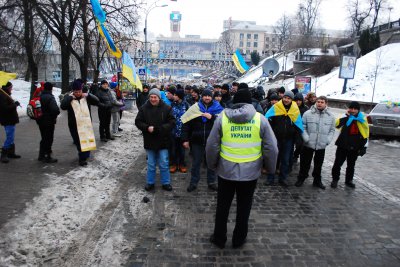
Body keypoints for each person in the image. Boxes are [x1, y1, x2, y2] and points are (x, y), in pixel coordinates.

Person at [206, 88, 278, 249]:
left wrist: (212, 165)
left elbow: (211, 146)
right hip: (250, 172)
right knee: (244, 207)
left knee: (222, 206)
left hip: (226, 171)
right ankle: (239, 239)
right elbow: (272, 148)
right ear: (250, 101)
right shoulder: (260, 119)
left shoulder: (222, 118)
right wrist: (270, 168)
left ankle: (219, 238)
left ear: (234, 101)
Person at [182, 89, 223, 192]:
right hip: (197, 141)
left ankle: (211, 182)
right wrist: (185, 139)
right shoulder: (195, 108)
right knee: (196, 163)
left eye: (209, 96)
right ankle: (193, 182)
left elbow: (224, 122)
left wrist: (212, 117)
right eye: (205, 96)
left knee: (211, 163)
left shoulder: (218, 108)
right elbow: (186, 124)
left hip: (212, 141)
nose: (207, 98)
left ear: (211, 97)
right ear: (202, 97)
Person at [135, 88, 175, 191]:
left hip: (163, 140)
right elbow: (138, 121)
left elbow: (171, 123)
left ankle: (166, 182)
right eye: (151, 97)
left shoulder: (167, 108)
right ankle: (150, 182)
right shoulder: (144, 108)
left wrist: (159, 129)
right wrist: (146, 127)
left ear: (159, 98)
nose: (153, 99)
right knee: (151, 164)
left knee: (164, 163)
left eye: (155, 97)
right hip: (150, 140)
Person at [295, 96, 336, 189]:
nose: (319, 103)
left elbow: (332, 130)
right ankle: (301, 178)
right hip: (308, 143)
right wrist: (306, 138)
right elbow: (303, 127)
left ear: (326, 103)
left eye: (322, 102)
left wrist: (327, 140)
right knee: (305, 163)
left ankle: (317, 180)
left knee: (318, 164)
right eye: (318, 102)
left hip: (321, 144)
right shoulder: (308, 113)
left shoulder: (331, 116)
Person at [265, 91, 303, 186]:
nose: (286, 100)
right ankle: (270, 178)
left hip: (288, 139)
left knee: (285, 160)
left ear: (291, 99)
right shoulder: (276, 107)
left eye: (289, 98)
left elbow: (298, 124)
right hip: (275, 138)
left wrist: (297, 138)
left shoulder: (295, 109)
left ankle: (283, 178)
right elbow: (268, 120)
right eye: (285, 97)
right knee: (274, 159)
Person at [61, 80, 102, 166]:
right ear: (73, 91)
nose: (78, 93)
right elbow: (63, 106)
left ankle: (83, 157)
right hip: (74, 125)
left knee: (86, 140)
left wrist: (88, 95)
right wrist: (70, 98)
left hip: (86, 124)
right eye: (76, 92)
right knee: (78, 142)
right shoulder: (69, 98)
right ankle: (83, 156)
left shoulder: (86, 98)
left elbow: (97, 101)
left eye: (79, 91)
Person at [331, 101, 369, 189]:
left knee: (351, 165)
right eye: (351, 108)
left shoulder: (362, 119)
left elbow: (366, 134)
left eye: (355, 109)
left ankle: (349, 180)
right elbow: (336, 124)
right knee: (337, 164)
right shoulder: (346, 117)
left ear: (358, 110)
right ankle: (335, 179)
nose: (353, 110)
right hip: (343, 145)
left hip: (355, 146)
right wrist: (345, 116)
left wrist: (364, 147)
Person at [36, 82, 60, 163]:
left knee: (44, 138)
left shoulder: (40, 96)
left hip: (40, 120)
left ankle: (41, 155)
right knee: (49, 138)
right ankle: (47, 156)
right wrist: (54, 115)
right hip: (49, 121)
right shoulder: (50, 97)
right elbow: (55, 110)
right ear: (51, 88)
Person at [0, 82, 21, 163]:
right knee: (10, 137)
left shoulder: (6, 94)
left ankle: (11, 153)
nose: (12, 88)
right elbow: (4, 108)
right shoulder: (2, 95)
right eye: (11, 87)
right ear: (7, 87)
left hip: (10, 119)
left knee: (11, 137)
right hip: (7, 119)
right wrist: (14, 105)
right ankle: (4, 154)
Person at [170, 89, 190, 173]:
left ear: (179, 96)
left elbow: (189, 118)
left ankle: (182, 164)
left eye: (175, 95)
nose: (173, 96)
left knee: (182, 150)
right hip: (173, 131)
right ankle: (174, 164)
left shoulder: (186, 105)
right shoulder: (172, 104)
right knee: (173, 149)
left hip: (183, 131)